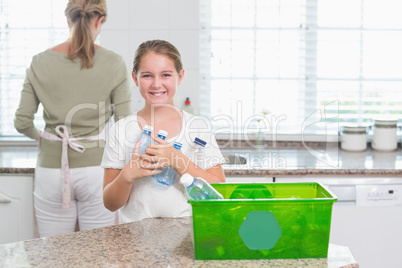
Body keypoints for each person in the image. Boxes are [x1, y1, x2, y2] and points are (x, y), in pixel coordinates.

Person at [14, 0, 132, 237]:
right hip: (99, 171)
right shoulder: (114, 62)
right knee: (99, 252)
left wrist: (45, 139)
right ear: (99, 20)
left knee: (53, 254)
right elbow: (125, 125)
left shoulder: (39, 61)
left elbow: (22, 121)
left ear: (68, 19)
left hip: (51, 171)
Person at [102, 39, 226, 223]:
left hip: (188, 229)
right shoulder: (121, 130)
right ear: (135, 78)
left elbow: (220, 191)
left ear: (180, 76)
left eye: (166, 75)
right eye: (147, 76)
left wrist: (177, 159)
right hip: (135, 234)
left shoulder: (198, 127)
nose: (156, 84)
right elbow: (110, 204)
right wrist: (126, 176)